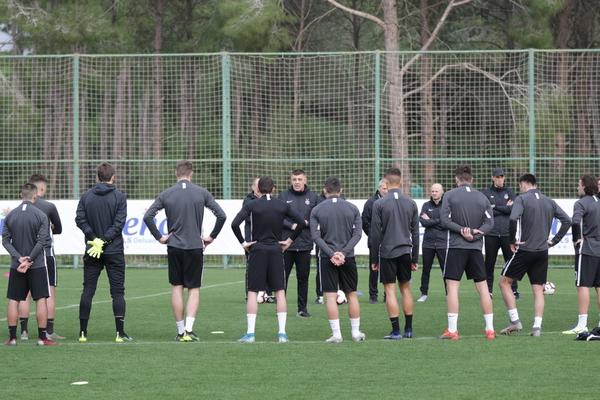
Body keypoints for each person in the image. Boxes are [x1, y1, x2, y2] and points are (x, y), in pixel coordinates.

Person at [144, 160, 226, 342]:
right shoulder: (201, 192)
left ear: (176, 173)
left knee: (176, 287)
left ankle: (181, 331)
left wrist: (160, 237)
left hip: (174, 246)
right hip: (195, 247)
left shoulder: (166, 193)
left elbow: (148, 216)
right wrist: (211, 237)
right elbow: (221, 215)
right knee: (194, 289)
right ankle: (189, 329)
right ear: (191, 174)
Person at [231, 176, 305, 343]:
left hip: (257, 250)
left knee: (252, 291)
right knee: (280, 291)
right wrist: (289, 241)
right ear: (273, 189)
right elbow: (301, 222)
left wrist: (244, 243)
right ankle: (282, 334)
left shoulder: (252, 204)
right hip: (276, 250)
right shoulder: (282, 205)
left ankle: (250, 334)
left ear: (258, 189)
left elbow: (234, 224)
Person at [499, 173, 571, 337]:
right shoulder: (549, 201)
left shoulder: (522, 199)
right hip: (542, 252)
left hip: (525, 250)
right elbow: (567, 221)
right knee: (538, 289)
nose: (520, 188)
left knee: (504, 283)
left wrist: (512, 240)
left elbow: (513, 218)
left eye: (520, 186)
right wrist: (554, 241)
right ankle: (537, 327)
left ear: (524, 184)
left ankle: (515, 321)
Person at [439, 165, 495, 340]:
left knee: (452, 287)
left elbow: (444, 220)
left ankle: (453, 330)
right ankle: (490, 330)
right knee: (483, 288)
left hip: (456, 247)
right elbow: (490, 222)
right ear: (472, 179)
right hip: (476, 248)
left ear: (457, 179)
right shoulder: (482, 197)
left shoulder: (449, 195)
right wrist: (477, 233)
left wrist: (463, 230)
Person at [75, 162, 130, 343]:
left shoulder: (86, 196)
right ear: (113, 177)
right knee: (117, 292)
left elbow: (80, 219)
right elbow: (119, 224)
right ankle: (119, 333)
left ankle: (83, 333)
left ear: (98, 177)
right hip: (114, 250)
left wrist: (94, 238)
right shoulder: (119, 197)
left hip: (92, 249)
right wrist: (104, 240)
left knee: (88, 290)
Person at [310, 176, 364, 343]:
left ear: (325, 190)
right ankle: (355, 333)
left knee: (330, 296)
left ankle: (337, 334)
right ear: (341, 190)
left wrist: (332, 254)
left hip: (327, 258)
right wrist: (344, 253)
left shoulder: (317, 210)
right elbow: (358, 234)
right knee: (352, 295)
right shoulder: (352, 208)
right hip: (348, 257)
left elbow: (315, 236)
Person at [370, 168, 419, 339]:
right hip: (405, 251)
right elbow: (415, 234)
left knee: (390, 290)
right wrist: (414, 258)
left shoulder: (379, 204)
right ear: (401, 181)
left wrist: (374, 258)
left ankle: (396, 331)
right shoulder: (411, 203)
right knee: (405, 288)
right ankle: (409, 330)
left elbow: (375, 235)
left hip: (387, 252)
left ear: (386, 182)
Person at [3, 183, 54, 346]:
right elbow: (42, 241)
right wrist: (29, 259)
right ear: (35, 196)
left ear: (21, 195)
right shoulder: (41, 215)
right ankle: (42, 338)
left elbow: (5, 241)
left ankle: (12, 338)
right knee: (41, 299)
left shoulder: (11, 215)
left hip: (17, 265)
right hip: (37, 264)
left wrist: (19, 258)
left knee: (14, 299)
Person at [17, 174, 64, 341]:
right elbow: (58, 229)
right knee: (48, 292)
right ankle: (48, 330)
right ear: (41, 189)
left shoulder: (20, 208)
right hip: (45, 255)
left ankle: (23, 331)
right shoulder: (49, 206)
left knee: (24, 293)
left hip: (23, 255)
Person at [563, 174, 600, 334]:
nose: (578, 186)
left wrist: (576, 239)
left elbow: (575, 221)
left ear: (584, 186)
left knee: (583, 285)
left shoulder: (581, 203)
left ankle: (582, 324)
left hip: (587, 249)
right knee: (599, 286)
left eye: (579, 184)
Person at [279, 169, 318, 317]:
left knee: (303, 279)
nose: (297, 182)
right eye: (294, 179)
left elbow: (317, 217)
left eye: (299, 179)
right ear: (291, 180)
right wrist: (291, 225)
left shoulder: (313, 197)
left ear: (305, 180)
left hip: (305, 245)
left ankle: (302, 309)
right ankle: (281, 308)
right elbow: (278, 216)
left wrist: (306, 223)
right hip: (286, 245)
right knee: (282, 279)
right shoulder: (283, 196)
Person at [482, 168, 518, 299]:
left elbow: (512, 209)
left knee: (511, 263)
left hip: (507, 234)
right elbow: (487, 211)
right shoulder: (486, 192)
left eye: (501, 177)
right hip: (491, 234)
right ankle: (489, 291)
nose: (500, 179)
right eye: (497, 177)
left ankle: (514, 290)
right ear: (493, 178)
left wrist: (495, 207)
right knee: (489, 264)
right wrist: (505, 208)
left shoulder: (509, 191)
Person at [361, 178, 388, 303]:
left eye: (388, 188)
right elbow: (364, 221)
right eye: (384, 188)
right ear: (379, 188)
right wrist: (373, 235)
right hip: (375, 242)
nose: (386, 191)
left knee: (388, 269)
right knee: (374, 268)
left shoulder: (391, 202)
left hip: (389, 241)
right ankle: (373, 295)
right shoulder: (370, 202)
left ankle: (388, 295)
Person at [417, 183, 446, 302]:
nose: (434, 193)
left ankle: (449, 293)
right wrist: (438, 221)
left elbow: (446, 223)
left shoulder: (446, 205)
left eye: (436, 191)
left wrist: (431, 221)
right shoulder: (426, 205)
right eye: (432, 191)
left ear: (442, 192)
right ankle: (424, 293)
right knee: (426, 269)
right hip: (428, 243)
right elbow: (423, 222)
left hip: (442, 242)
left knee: (446, 269)